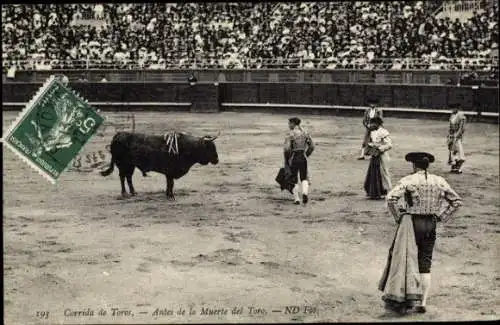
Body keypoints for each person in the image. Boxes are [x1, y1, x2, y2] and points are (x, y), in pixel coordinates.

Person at [384, 152, 463, 314]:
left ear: (414, 165)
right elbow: (456, 202)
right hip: (430, 223)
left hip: (412, 223)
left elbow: (391, 198)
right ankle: (423, 302)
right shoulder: (439, 181)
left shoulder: (409, 180)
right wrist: (440, 217)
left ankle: (406, 298)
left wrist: (398, 217)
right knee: (425, 261)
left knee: (407, 259)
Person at [284, 117, 315, 205]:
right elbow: (312, 147)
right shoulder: (305, 133)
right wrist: (306, 154)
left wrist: (288, 159)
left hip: (294, 157)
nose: (289, 125)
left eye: (289, 123)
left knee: (293, 178)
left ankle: (297, 199)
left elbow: (287, 149)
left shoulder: (291, 134)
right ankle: (305, 193)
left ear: (293, 123)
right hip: (303, 157)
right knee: (304, 177)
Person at [364, 117, 392, 198]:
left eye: (372, 123)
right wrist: (372, 146)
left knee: (384, 173)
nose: (371, 125)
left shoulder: (384, 132)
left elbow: (389, 145)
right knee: (373, 173)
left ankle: (389, 191)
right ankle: (376, 192)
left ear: (377, 124)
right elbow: (371, 142)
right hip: (375, 155)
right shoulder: (372, 132)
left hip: (383, 155)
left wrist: (379, 148)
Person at [447, 103, 466, 173]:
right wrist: (449, 135)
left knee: (458, 151)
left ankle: (458, 167)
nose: (452, 110)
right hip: (452, 135)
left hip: (457, 136)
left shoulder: (461, 116)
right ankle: (454, 167)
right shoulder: (452, 115)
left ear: (457, 108)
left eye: (454, 108)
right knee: (452, 150)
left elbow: (462, 128)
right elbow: (450, 127)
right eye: (451, 108)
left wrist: (457, 136)